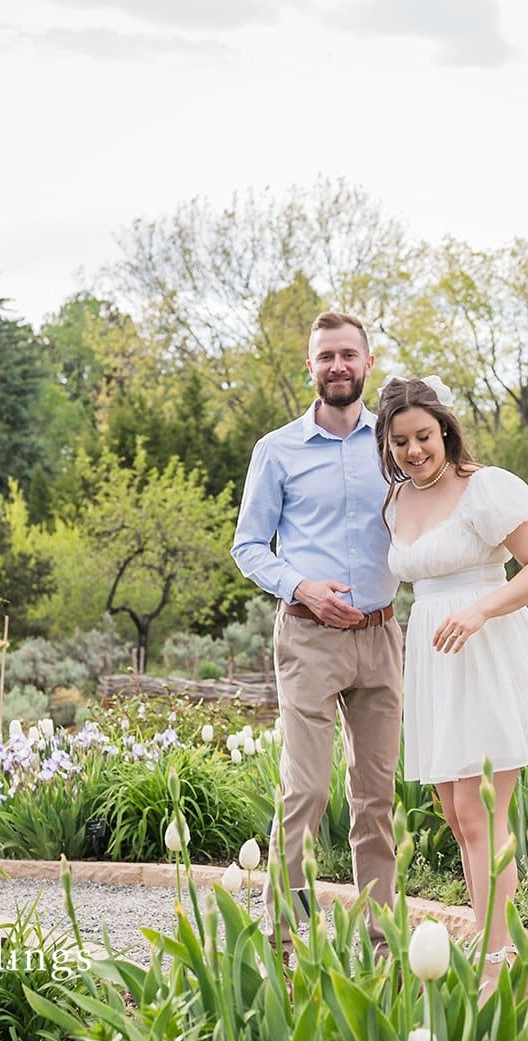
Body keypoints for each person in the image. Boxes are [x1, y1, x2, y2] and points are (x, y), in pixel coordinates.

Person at [375, 374, 528, 995]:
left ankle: (500, 955)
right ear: (387, 443)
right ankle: (490, 930)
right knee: (454, 815)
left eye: (424, 436)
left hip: (487, 648)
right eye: (401, 440)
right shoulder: (394, 502)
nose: (415, 451)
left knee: (479, 809)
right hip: (435, 660)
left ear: (444, 430)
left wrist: (483, 608)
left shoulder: (484, 488)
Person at [231, 311, 402, 943]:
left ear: (368, 363)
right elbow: (248, 547)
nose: (338, 366)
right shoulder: (276, 450)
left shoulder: (395, 443)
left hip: (384, 639)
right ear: (311, 366)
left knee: (375, 802)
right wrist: (302, 587)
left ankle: (382, 945)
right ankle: (282, 939)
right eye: (326, 356)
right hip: (307, 636)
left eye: (348, 355)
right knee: (304, 792)